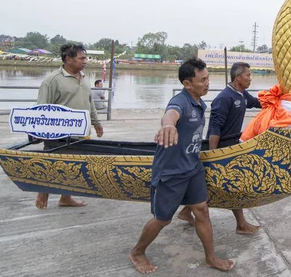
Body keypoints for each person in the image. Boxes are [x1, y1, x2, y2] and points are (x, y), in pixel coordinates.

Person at [129, 58, 234, 274]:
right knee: (162, 219)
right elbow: (171, 113)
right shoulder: (181, 101)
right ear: (187, 84)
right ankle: (137, 252)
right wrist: (168, 125)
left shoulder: (198, 102)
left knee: (202, 211)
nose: (207, 83)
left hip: (193, 168)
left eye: (208, 78)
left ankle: (210, 258)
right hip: (172, 172)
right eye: (202, 80)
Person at [178, 62, 262, 234]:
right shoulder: (224, 98)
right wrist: (214, 155)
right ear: (238, 77)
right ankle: (241, 224)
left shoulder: (242, 94)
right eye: (248, 75)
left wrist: (280, 100)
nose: (250, 78)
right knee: (233, 185)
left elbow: (256, 103)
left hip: (234, 144)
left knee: (214, 185)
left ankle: (186, 211)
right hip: (223, 146)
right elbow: (215, 129)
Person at [35, 44, 104, 209]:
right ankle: (43, 192)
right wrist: (41, 131)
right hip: (58, 134)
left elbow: (90, 103)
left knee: (73, 166)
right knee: (52, 164)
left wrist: (96, 122)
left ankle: (66, 197)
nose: (85, 61)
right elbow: (41, 109)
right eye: (81, 58)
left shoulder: (84, 78)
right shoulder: (52, 81)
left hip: (81, 132)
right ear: (68, 59)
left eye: (85, 58)